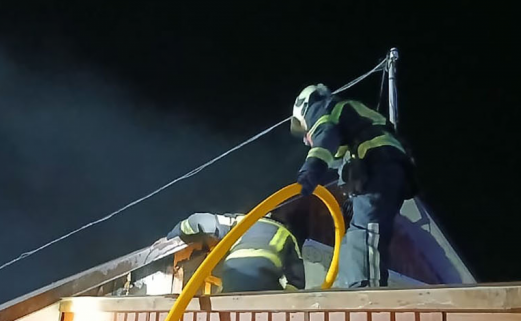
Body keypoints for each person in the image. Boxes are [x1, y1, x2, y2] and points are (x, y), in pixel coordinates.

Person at [291, 83, 416, 288]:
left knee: (366, 232)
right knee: (355, 236)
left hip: (377, 166)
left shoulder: (322, 109)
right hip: (386, 167)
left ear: (304, 108)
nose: (306, 139)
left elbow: (326, 138)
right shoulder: (351, 114)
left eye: (304, 131)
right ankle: (350, 287)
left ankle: (367, 290)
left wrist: (311, 170)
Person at [167, 212, 305, 292]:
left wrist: (173, 235)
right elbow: (297, 281)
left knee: (230, 305)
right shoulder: (288, 236)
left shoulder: (241, 221)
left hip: (232, 271)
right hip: (264, 275)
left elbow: (199, 220)